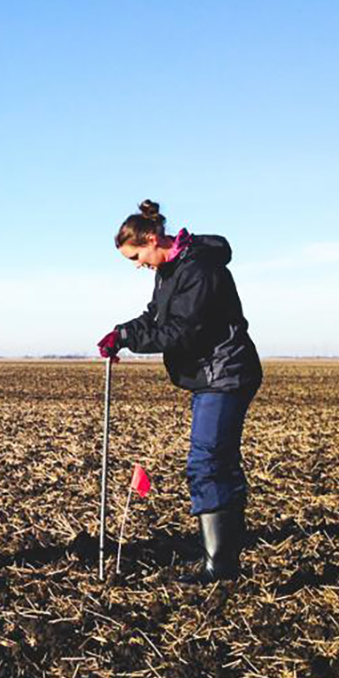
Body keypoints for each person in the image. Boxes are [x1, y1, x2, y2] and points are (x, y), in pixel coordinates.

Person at [98, 200, 262, 584]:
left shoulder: (200, 269)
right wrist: (122, 332)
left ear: (153, 239)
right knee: (219, 462)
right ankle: (225, 553)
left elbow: (184, 332)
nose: (138, 264)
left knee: (205, 464)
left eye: (137, 255)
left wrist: (128, 338)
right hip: (211, 376)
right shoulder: (169, 271)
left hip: (226, 373)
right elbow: (155, 318)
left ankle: (219, 566)